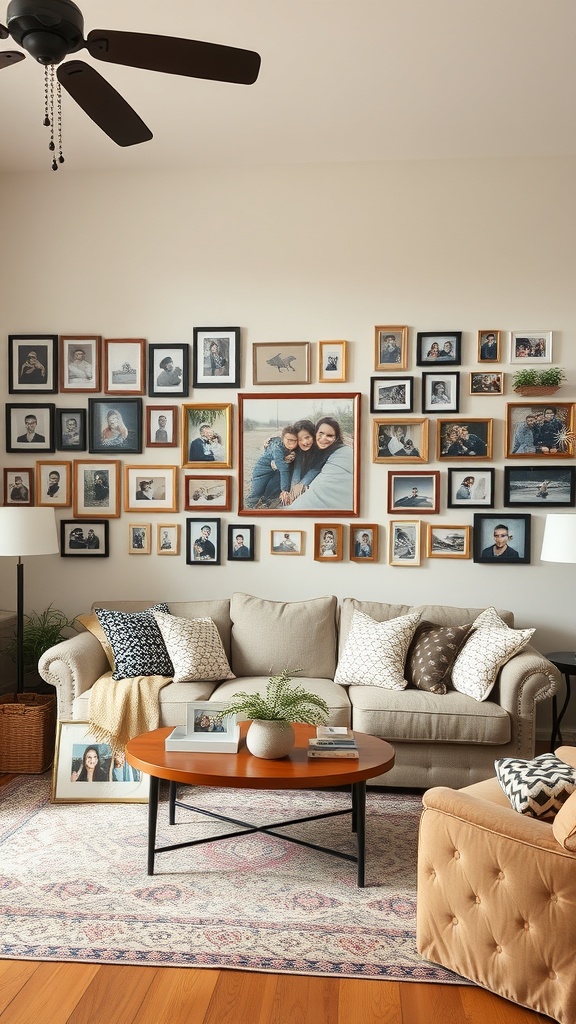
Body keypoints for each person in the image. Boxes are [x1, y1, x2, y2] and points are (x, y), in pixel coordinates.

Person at [290, 417, 354, 511]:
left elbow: (316, 468)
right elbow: (298, 465)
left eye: (329, 435)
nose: (324, 439)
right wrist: (294, 485)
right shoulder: (304, 446)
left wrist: (302, 484)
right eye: (321, 433)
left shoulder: (330, 451)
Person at [245, 425, 298, 508]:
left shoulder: (294, 448)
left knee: (273, 488)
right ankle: (249, 507)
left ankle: (267, 501)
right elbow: (283, 469)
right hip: (262, 470)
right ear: (283, 438)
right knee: (256, 492)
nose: (292, 443)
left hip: (276, 470)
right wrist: (285, 490)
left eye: (295, 441)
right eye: (289, 440)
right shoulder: (277, 447)